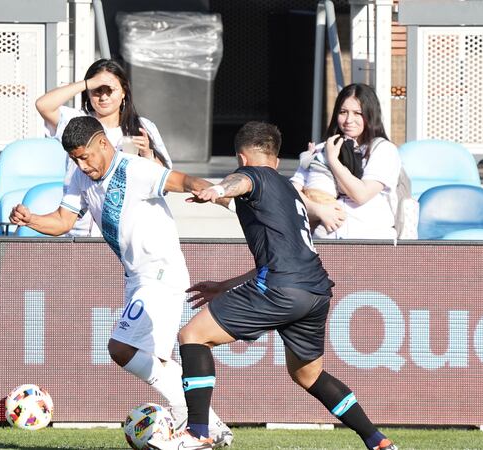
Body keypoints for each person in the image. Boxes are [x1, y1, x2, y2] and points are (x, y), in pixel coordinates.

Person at [147, 122, 397, 450]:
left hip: (282, 288)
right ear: (277, 160)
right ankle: (377, 440)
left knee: (192, 336)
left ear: (241, 157)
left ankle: (196, 433)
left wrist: (220, 188)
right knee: (308, 375)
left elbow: (243, 180)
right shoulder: (288, 189)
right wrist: (226, 285)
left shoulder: (256, 175)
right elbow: (278, 259)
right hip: (315, 291)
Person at [9, 115, 233, 447]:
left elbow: (182, 180)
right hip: (138, 277)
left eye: (86, 156)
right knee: (152, 359)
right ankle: (209, 425)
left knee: (121, 347)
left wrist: (220, 194)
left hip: (161, 272)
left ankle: (191, 417)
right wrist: (31, 219)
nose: (83, 165)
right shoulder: (79, 178)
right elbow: (61, 221)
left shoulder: (135, 170)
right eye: (75, 159)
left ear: (103, 143)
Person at [35, 58, 171, 236]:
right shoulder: (76, 121)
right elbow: (43, 105)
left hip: (127, 231)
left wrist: (147, 153)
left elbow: (166, 184)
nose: (104, 97)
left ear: (124, 92)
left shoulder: (142, 126)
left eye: (110, 90)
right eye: (97, 91)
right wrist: (87, 83)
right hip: (81, 229)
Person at [291, 83, 400, 239]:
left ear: (370, 114)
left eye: (357, 113)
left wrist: (333, 161)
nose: (349, 120)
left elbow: (361, 194)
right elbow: (292, 193)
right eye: (343, 112)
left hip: (371, 240)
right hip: (324, 241)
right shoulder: (323, 147)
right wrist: (318, 210)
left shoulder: (384, 150)